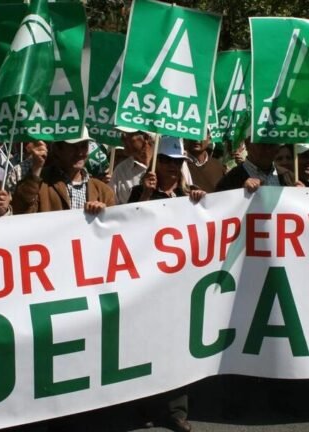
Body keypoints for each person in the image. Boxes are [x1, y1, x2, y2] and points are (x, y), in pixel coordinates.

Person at [127, 135, 197, 432]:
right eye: (166, 161)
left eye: (177, 162)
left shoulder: (189, 196)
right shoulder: (139, 193)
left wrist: (202, 204)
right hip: (147, 284)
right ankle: (144, 405)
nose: (171, 167)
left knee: (177, 347)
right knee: (147, 345)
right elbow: (127, 227)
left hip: (178, 284)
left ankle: (176, 411)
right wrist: (144, 195)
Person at [13, 127, 114, 215]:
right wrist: (36, 169)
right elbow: (21, 211)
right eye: (73, 147)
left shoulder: (103, 191)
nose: (80, 153)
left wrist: (103, 215)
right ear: (57, 149)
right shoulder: (41, 184)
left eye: (83, 146)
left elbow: (111, 229)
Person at [215, 142, 297, 192]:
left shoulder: (288, 175)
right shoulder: (230, 180)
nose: (268, 150)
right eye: (263, 145)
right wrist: (241, 193)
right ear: (247, 144)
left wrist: (303, 194)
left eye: (272, 144)